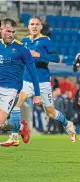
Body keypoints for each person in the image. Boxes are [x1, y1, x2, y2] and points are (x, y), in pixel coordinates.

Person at [1, 16, 76, 147]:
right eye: (32, 24)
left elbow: (56, 58)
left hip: (42, 81)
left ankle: (67, 124)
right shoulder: (23, 42)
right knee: (17, 104)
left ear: (41, 27)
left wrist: (40, 55)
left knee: (50, 112)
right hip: (26, 80)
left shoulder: (45, 41)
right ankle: (14, 136)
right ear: (28, 27)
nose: (34, 26)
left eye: (37, 24)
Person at [0, 17, 41, 146]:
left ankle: (21, 128)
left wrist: (38, 94)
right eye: (8, 31)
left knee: (0, 122)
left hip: (10, 89)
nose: (11, 35)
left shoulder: (22, 49)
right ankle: (21, 128)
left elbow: (34, 72)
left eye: (13, 32)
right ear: (1, 30)